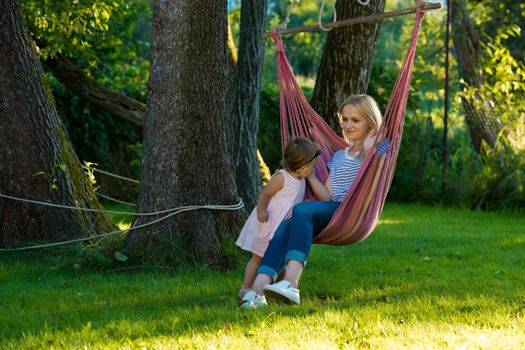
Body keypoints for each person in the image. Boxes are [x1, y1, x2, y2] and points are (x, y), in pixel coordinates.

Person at [241, 94, 385, 309]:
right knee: (287, 224)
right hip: (330, 209)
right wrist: (310, 176)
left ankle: (291, 283)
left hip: (350, 212)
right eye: (344, 119)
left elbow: (379, 164)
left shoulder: (377, 149)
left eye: (356, 120)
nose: (348, 125)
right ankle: (258, 290)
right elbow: (326, 196)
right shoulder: (338, 156)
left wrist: (372, 141)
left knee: (301, 211)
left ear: (371, 122)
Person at [236, 137, 322, 299]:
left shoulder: (301, 179)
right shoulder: (281, 177)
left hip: (282, 228)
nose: (313, 169)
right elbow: (265, 193)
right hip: (267, 223)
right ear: (302, 167)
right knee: (258, 258)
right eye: (311, 166)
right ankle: (245, 288)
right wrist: (261, 209)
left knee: (280, 259)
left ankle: (275, 290)